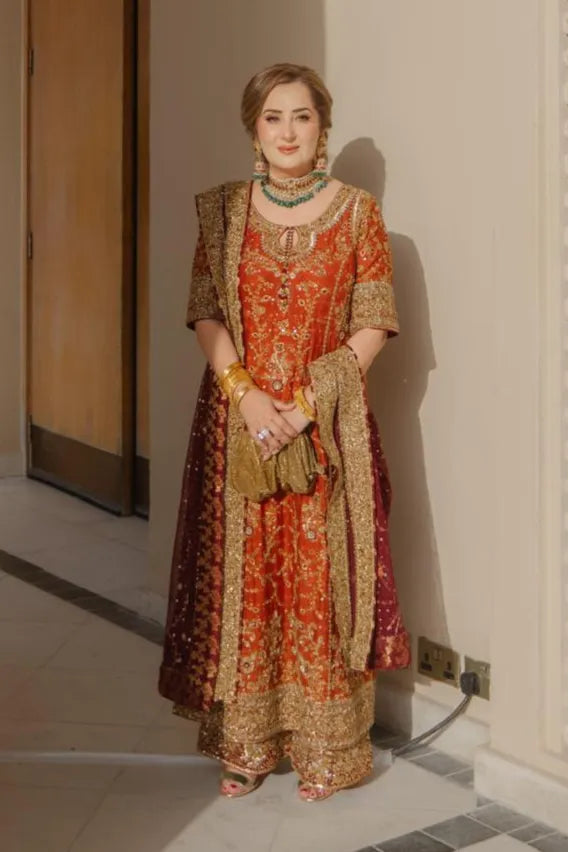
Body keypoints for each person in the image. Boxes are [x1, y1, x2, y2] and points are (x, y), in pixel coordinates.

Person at [158, 63, 410, 803]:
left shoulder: (358, 213)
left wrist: (304, 406)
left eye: (302, 117)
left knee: (319, 584)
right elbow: (206, 311)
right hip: (241, 424)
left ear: (322, 128)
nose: (289, 131)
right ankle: (247, 744)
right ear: (254, 130)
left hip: (326, 430)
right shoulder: (223, 212)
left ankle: (326, 748)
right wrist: (247, 398)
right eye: (274, 118)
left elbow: (374, 323)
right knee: (248, 584)